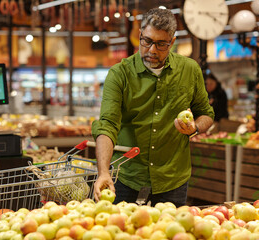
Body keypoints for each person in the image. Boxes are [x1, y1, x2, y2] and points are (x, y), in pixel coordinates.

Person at [92, 8, 214, 207]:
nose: (152, 50)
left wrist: (195, 128)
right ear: (140, 35)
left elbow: (206, 114)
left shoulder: (189, 70)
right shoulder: (119, 74)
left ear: (172, 42)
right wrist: (103, 171)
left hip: (172, 178)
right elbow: (107, 125)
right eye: (147, 41)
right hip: (126, 175)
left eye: (161, 44)